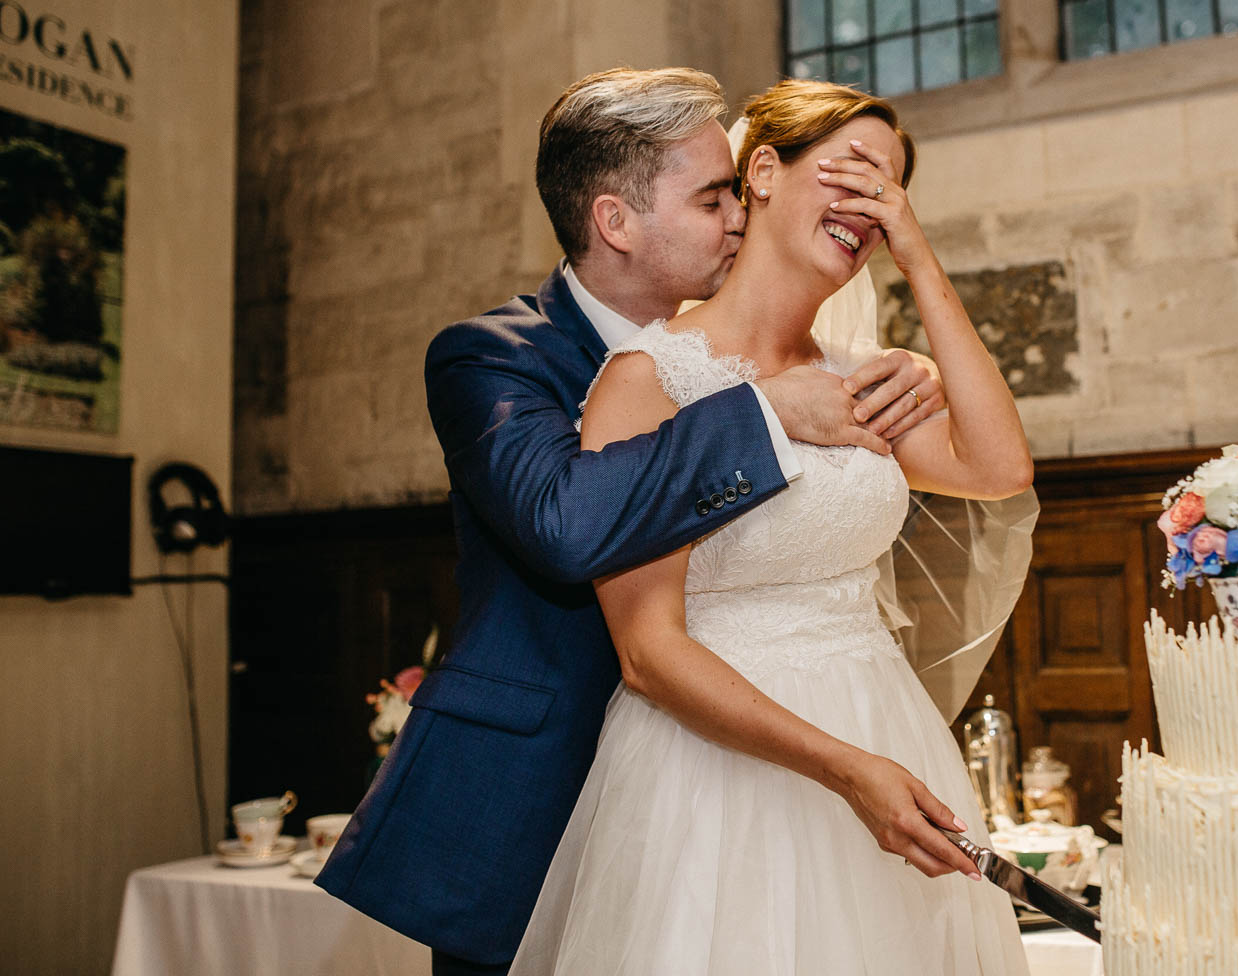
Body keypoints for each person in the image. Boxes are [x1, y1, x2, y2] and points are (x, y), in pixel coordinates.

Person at [315, 68, 948, 976]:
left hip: (716, 792)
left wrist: (911, 381)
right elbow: (564, 524)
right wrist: (766, 414)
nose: (739, 215)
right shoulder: (495, 359)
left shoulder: (752, 349)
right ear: (617, 222)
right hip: (534, 801)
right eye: (712, 197)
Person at [509, 79, 1034, 974]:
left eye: (894, 191)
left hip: (887, 729)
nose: (874, 205)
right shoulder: (649, 379)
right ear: (762, 171)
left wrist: (920, 260)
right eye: (854, 174)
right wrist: (843, 768)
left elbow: (999, 469)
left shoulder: (865, 376)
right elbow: (648, 652)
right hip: (715, 774)